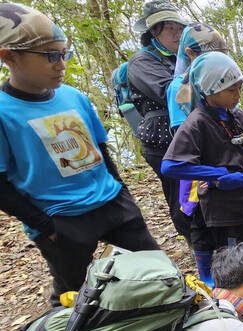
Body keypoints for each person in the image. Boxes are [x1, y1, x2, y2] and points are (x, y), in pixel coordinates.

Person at [0, 3, 160, 307]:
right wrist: (45, 227)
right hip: (61, 220)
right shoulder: (4, 111)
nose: (60, 64)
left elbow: (101, 149)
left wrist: (122, 191)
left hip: (112, 204)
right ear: (9, 56)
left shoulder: (74, 97)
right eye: (50, 56)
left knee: (157, 268)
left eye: (64, 54)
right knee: (76, 296)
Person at [161, 52, 243, 290]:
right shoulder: (197, 122)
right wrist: (216, 174)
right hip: (223, 210)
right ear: (210, 90)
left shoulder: (239, 116)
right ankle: (240, 297)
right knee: (235, 257)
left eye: (240, 88)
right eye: (232, 90)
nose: (238, 95)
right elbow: (171, 166)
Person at [165, 22, 227, 287]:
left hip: (225, 167)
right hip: (198, 170)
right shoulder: (181, 86)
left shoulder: (221, 78)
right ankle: (206, 276)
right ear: (190, 53)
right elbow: (183, 135)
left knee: (225, 221)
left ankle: (228, 271)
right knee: (200, 222)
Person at [127, 0, 192, 241]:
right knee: (180, 193)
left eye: (179, 28)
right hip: (162, 140)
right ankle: (196, 244)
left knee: (198, 188)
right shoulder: (142, 62)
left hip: (189, 135)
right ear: (154, 31)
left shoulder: (181, 58)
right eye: (170, 29)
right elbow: (170, 93)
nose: (177, 34)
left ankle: (208, 238)